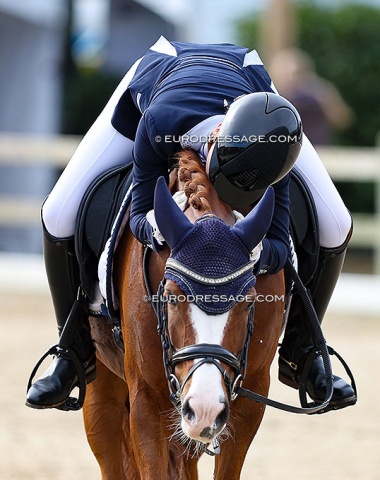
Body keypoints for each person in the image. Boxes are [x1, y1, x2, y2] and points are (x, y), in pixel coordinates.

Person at [26, 36, 356, 412]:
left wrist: (255, 251)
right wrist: (153, 227)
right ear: (214, 140)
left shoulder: (272, 147)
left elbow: (279, 244)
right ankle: (71, 352)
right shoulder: (157, 122)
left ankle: (305, 352)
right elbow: (137, 213)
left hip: (248, 76)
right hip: (158, 77)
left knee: (337, 224)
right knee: (56, 213)